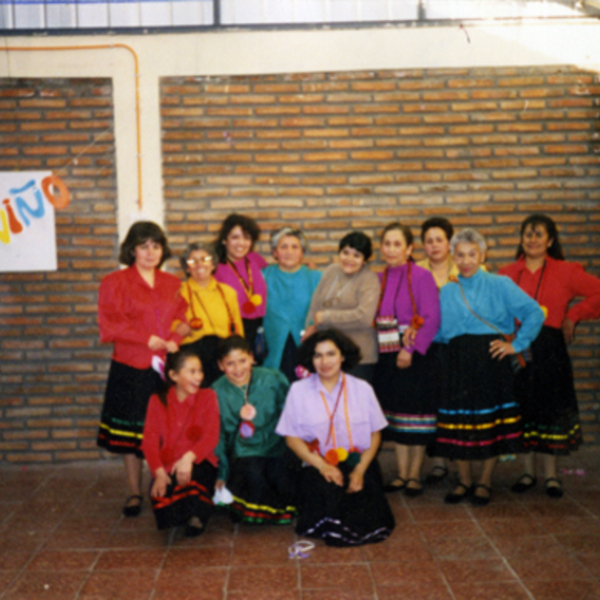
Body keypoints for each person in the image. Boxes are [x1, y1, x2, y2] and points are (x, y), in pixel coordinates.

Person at [435, 228, 545, 506]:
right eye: (460, 255)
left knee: (490, 423)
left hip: (491, 362)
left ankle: (484, 482)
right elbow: (437, 331)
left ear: (482, 254)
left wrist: (517, 345)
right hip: (456, 362)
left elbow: (533, 312)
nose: (466, 260)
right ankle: (464, 481)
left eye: (472, 254)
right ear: (453, 256)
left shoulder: (500, 283)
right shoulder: (446, 291)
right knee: (459, 421)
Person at [499, 214, 600, 498]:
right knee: (522, 407)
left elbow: (597, 291)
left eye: (539, 234)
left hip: (550, 348)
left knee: (550, 407)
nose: (532, 239)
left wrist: (574, 315)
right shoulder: (506, 274)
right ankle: (527, 472)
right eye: (527, 234)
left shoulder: (565, 271)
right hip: (517, 348)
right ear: (521, 239)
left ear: (550, 240)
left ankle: (552, 476)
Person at [97, 221, 188, 517]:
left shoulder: (173, 283)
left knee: (161, 430)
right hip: (130, 365)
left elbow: (186, 319)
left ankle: (159, 484)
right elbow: (109, 325)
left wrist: (175, 339)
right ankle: (134, 491)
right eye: (144, 246)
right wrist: (144, 338)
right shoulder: (114, 282)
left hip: (163, 369)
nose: (151, 252)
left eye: (156, 246)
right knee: (129, 432)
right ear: (132, 250)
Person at [276, 329, 394, 546]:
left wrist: (359, 470)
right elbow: (291, 438)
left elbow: (375, 434)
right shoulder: (298, 390)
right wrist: (322, 466)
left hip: (358, 461)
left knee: (364, 503)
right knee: (329, 495)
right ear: (310, 360)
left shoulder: (362, 388)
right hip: (315, 463)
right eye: (318, 355)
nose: (325, 361)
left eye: (331, 354)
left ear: (342, 356)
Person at [374, 222, 441, 497]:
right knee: (398, 416)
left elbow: (432, 317)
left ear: (409, 248)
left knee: (417, 415)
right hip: (386, 353)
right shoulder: (377, 279)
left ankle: (414, 475)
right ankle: (401, 474)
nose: (391, 249)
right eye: (386, 244)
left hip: (415, 354)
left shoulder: (422, 276)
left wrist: (410, 350)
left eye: (397, 244)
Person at [212, 335, 296, 524]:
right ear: (220, 365)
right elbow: (218, 436)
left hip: (277, 446)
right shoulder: (216, 392)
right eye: (230, 364)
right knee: (254, 477)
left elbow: (291, 414)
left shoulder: (273, 378)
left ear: (252, 357)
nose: (238, 369)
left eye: (242, 360)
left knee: (282, 480)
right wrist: (222, 473)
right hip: (243, 452)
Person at [141, 350, 220, 537]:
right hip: (168, 464)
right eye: (191, 372)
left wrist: (188, 458)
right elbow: (149, 442)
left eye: (200, 371)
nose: (198, 377)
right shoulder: (157, 400)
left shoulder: (208, 396)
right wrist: (159, 473)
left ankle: (197, 516)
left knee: (193, 483)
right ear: (173, 375)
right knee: (162, 495)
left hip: (200, 459)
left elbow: (211, 436)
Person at [304, 231, 379, 382]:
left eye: (356, 255)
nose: (349, 259)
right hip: (327, 355)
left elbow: (364, 317)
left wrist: (325, 318)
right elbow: (315, 304)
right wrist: (310, 327)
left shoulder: (369, 280)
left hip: (358, 357)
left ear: (365, 260)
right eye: (345, 253)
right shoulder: (332, 271)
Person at [416, 217, 457, 485]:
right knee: (432, 403)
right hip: (426, 347)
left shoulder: (465, 267)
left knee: (455, 403)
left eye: (439, 240)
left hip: (457, 347)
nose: (434, 245)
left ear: (449, 242)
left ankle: (460, 462)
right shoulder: (415, 271)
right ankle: (439, 463)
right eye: (428, 241)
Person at [177, 242, 244, 387]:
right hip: (191, 357)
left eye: (205, 260)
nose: (199, 264)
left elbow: (238, 329)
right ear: (187, 268)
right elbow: (170, 328)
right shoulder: (177, 293)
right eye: (193, 261)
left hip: (222, 355)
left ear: (213, 264)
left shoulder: (228, 292)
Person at [262, 227, 322, 382]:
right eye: (283, 247)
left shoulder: (316, 277)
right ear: (275, 252)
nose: (289, 252)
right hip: (274, 348)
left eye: (295, 247)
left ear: (302, 252)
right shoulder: (263, 276)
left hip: (308, 347)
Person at [213, 214, 267, 355]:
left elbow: (276, 272)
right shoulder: (216, 266)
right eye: (235, 237)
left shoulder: (255, 259)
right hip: (233, 328)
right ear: (225, 240)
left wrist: (305, 265)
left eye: (246, 238)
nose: (241, 243)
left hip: (259, 324)